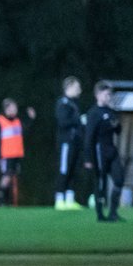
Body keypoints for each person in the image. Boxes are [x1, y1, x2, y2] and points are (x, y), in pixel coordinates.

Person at [83, 80, 123, 222]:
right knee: (101, 183)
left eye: (109, 95)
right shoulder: (93, 113)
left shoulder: (111, 111)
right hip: (99, 153)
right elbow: (89, 137)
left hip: (112, 150)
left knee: (119, 180)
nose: (108, 97)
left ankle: (113, 212)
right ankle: (100, 215)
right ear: (98, 95)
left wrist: (117, 124)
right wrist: (87, 158)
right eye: (106, 94)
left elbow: (118, 131)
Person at [0, 98, 36, 206]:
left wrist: (31, 119)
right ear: (6, 108)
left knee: (12, 177)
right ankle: (1, 200)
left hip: (17, 154)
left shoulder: (17, 121)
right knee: (6, 177)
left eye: (15, 107)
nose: (14, 110)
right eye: (12, 107)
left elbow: (23, 133)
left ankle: (10, 202)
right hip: (6, 155)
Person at [55, 77, 83, 210]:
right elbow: (63, 122)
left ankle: (70, 200)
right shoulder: (63, 103)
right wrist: (78, 120)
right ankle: (59, 199)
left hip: (75, 142)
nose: (79, 90)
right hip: (66, 142)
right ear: (69, 87)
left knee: (73, 169)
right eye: (77, 87)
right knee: (64, 169)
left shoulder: (74, 103)